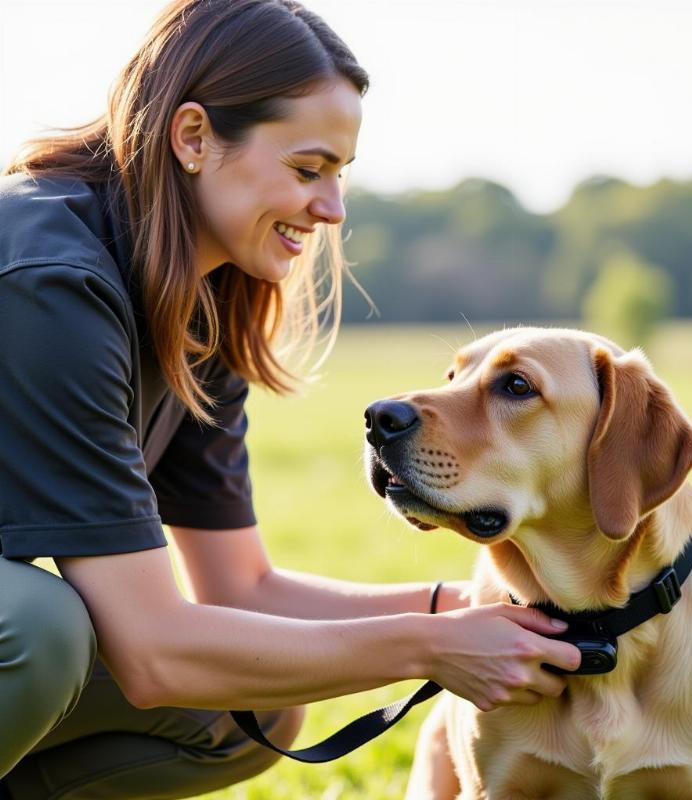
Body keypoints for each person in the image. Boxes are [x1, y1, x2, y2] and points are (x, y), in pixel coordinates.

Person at [0, 1, 581, 797]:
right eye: (309, 170)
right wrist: (431, 646)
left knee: (256, 713)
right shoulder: (51, 285)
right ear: (194, 137)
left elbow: (242, 590)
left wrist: (470, 606)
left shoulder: (195, 301)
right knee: (36, 626)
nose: (332, 208)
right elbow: (151, 650)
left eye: (340, 174)